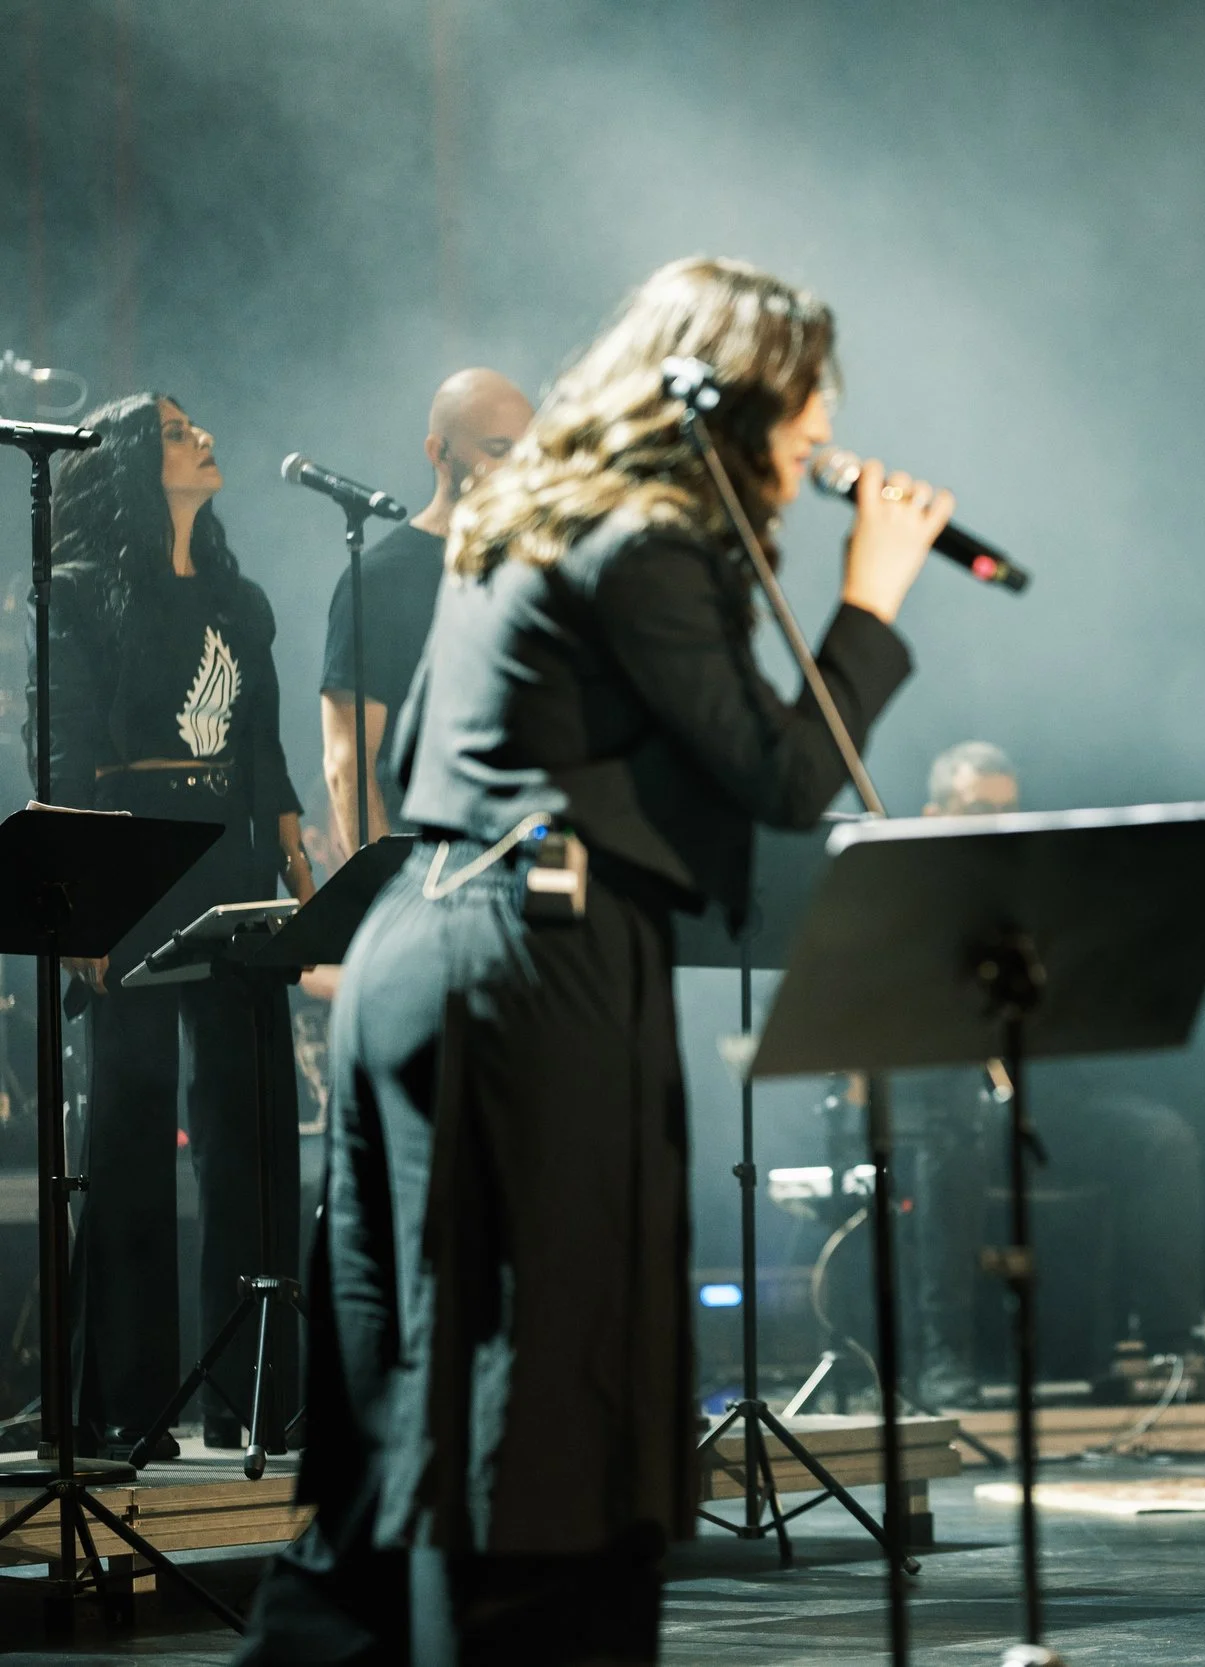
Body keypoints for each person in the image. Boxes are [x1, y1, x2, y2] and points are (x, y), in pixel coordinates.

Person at [235, 257, 948, 1666]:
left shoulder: (524, 515)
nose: (822, 436)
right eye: (810, 405)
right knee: (538, 1396)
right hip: (529, 972)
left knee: (401, 1430)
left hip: (425, 950)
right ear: (743, 393)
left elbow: (408, 758)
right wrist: (872, 603)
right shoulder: (650, 536)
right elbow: (781, 770)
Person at [32, 392, 317, 1459]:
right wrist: (79, 898)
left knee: (251, 1125)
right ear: (128, 463)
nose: (202, 434)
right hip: (136, 860)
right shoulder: (76, 592)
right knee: (133, 1128)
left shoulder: (240, 598)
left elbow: (267, 741)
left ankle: (257, 1389)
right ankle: (127, 1398)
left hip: (236, 858)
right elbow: (57, 751)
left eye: (200, 421)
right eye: (176, 428)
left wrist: (290, 847)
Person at [894, 742, 1205, 1408]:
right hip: (936, 1112)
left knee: (1161, 1138)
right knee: (956, 1138)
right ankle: (944, 1354)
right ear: (935, 812)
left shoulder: (1038, 895)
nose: (997, 823)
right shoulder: (902, 894)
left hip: (1038, 1104)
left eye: (1007, 809)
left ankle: (1171, 1342)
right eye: (979, 809)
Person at [318, 369, 534, 848]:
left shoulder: (535, 567)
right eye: (500, 451)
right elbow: (347, 764)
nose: (521, 470)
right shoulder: (379, 579)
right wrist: (374, 889)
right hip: (427, 863)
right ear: (439, 453)